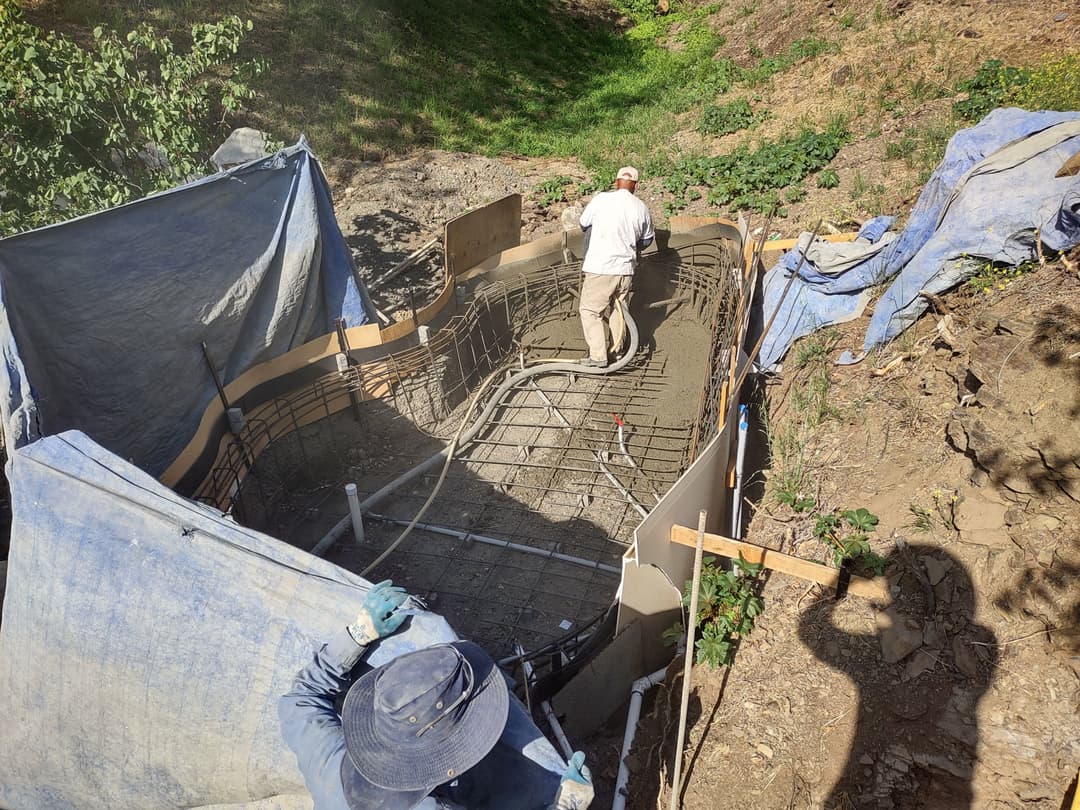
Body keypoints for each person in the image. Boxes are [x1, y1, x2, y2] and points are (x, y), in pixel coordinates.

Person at [279, 580, 595, 810]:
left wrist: (359, 635)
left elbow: (302, 697)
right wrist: (565, 805)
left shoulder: (329, 765)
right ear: (445, 757)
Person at [577, 166, 655, 367]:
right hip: (626, 270)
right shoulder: (641, 207)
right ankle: (617, 353)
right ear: (635, 186)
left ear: (616, 182)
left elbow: (583, 224)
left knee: (589, 311)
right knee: (619, 310)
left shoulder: (602, 199)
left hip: (601, 267)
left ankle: (598, 356)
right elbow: (646, 240)